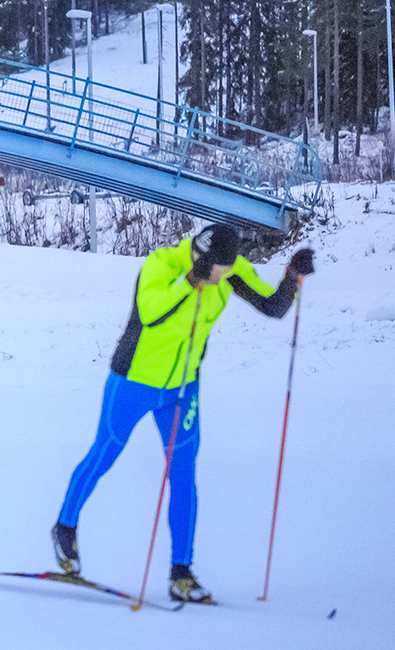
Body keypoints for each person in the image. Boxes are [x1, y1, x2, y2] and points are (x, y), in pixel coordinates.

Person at [51, 224, 315, 603]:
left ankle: (181, 573)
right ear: (201, 258)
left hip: (182, 390)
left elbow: (272, 307)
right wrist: (190, 281)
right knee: (104, 454)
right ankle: (64, 527)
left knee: (184, 476)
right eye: (218, 270)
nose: (223, 276)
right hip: (134, 382)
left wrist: (291, 277)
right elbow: (150, 312)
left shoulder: (231, 270)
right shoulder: (161, 264)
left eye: (228, 269)